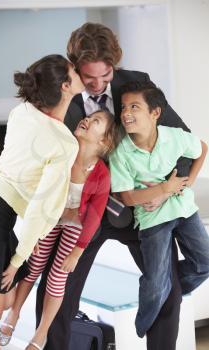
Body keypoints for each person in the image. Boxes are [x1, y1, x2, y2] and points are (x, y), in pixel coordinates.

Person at [36, 23, 193, 350]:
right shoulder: (59, 92)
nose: (96, 85)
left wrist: (168, 186)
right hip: (81, 211)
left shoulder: (136, 84)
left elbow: (182, 138)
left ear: (115, 66)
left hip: (135, 209)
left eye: (104, 76)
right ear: (75, 66)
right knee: (57, 288)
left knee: (166, 289)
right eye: (88, 77)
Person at [0, 54, 84, 350]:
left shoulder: (21, 111)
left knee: (0, 302)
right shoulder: (64, 143)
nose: (78, 70)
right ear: (65, 86)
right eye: (73, 69)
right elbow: (43, 208)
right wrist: (17, 258)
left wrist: (23, 246)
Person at [0, 109, 118, 350]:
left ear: (103, 141)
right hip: (51, 217)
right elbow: (41, 190)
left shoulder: (101, 174)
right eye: (88, 116)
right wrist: (39, 226)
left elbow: (93, 218)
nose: (86, 119)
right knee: (33, 266)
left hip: (77, 226)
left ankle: (41, 334)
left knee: (57, 277)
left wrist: (78, 251)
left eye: (95, 121)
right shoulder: (64, 153)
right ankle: (14, 313)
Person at [109, 80, 209, 338]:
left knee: (205, 262)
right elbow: (128, 197)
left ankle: (169, 287)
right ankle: (142, 325)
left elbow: (202, 148)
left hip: (184, 209)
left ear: (155, 113)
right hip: (152, 219)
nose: (126, 113)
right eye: (123, 107)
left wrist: (188, 182)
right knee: (155, 285)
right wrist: (164, 189)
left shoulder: (173, 137)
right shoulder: (121, 153)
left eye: (134, 107)